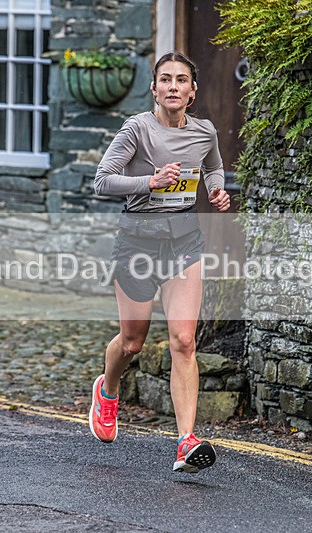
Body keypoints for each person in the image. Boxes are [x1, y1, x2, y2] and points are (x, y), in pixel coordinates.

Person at [89, 51, 231, 473]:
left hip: (183, 240)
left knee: (184, 341)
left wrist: (216, 190)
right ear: (154, 89)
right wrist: (149, 182)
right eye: (165, 79)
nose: (173, 86)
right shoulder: (137, 129)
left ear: (192, 91)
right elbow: (102, 180)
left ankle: (186, 441)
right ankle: (108, 389)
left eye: (181, 80)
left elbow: (214, 168)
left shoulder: (204, 132)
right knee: (132, 342)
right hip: (137, 242)